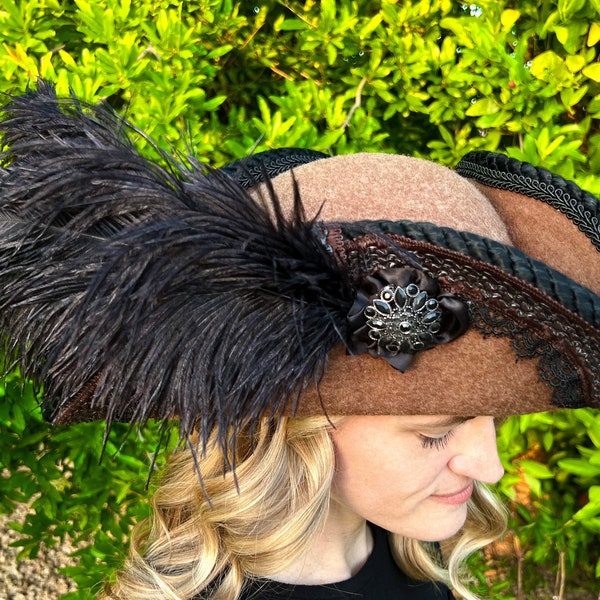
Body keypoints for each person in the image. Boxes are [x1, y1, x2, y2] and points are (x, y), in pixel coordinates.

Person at [0, 82, 598, 600]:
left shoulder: (410, 559)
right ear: (298, 422)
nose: (489, 466)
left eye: (491, 420)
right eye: (434, 431)